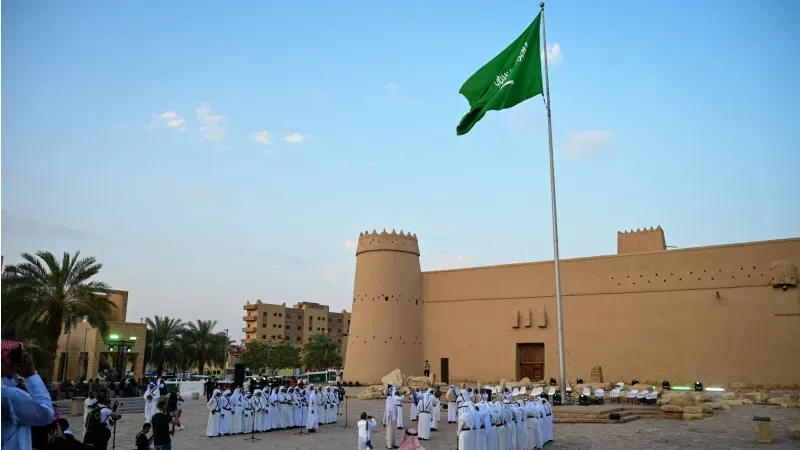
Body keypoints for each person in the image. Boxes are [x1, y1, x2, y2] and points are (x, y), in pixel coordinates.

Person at [1, 339, 56, 449]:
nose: (16, 362)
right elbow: (46, 414)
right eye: (11, 358)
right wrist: (30, 375)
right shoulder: (8, 395)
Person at [383, 383, 398, 448]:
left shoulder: (387, 406)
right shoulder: (394, 405)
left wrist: (383, 422)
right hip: (394, 420)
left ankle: (389, 445)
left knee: (389, 433)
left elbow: (385, 414)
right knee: (393, 432)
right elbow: (396, 412)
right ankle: (394, 444)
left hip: (389, 421)